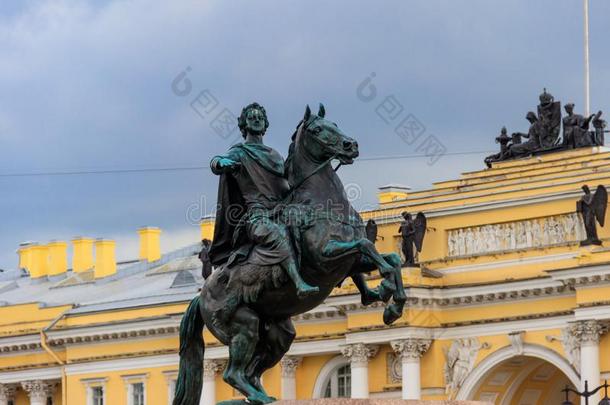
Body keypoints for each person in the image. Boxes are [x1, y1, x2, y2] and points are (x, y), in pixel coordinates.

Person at [208, 102, 319, 298]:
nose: (257, 119)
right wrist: (220, 162)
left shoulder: (274, 154)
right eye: (252, 117)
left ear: (265, 123)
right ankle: (299, 283)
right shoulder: (240, 152)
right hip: (257, 217)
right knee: (277, 235)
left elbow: (286, 184)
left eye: (260, 117)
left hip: (281, 211)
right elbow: (216, 162)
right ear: (244, 125)